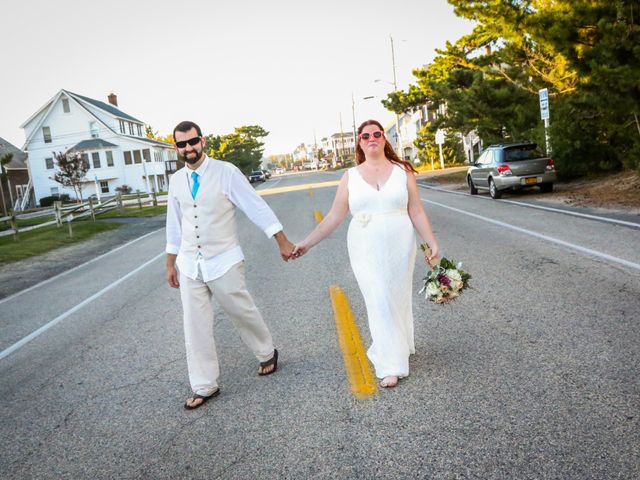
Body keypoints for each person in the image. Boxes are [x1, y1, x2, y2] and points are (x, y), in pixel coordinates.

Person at [292, 119, 440, 388]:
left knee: (396, 296)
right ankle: (389, 365)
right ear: (359, 142)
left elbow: (416, 210)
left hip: (400, 244)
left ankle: (400, 344)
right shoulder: (350, 176)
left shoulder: (402, 171)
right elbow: (334, 217)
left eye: (377, 133)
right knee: (379, 298)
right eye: (365, 135)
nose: (371, 138)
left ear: (384, 138)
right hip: (364, 246)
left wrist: (431, 242)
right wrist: (307, 243)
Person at [166, 120, 294, 409]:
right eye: (182, 144)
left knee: (241, 310)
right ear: (176, 148)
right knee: (194, 325)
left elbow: (254, 206)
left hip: (223, 259)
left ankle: (265, 352)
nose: (188, 148)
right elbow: (173, 225)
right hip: (190, 264)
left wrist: (282, 241)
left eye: (193, 141)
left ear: (203, 141)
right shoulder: (175, 182)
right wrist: (170, 263)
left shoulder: (226, 172)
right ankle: (204, 384)